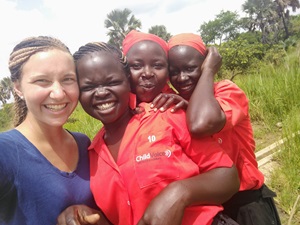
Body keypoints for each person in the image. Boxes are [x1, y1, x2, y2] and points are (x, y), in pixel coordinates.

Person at [57, 41, 240, 225]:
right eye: (88, 87)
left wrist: (179, 193)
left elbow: (228, 176)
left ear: (129, 81)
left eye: (112, 82)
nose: (101, 92)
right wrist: (84, 214)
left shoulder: (168, 115)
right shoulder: (92, 154)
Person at [166, 33, 282, 225]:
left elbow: (202, 123)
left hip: (247, 203)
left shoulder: (227, 91)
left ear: (204, 65)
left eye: (190, 68)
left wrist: (209, 71)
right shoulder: (175, 102)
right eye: (174, 71)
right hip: (211, 209)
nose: (182, 77)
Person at [0, 36, 109, 225]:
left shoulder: (84, 144)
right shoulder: (6, 152)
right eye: (42, 81)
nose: (58, 93)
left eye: (68, 79)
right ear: (18, 88)